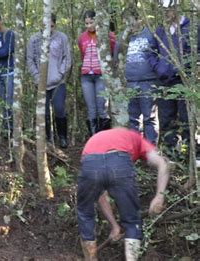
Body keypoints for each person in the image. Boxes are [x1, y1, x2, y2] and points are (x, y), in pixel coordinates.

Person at [77, 128, 170, 260]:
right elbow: (162, 163)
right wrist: (159, 196)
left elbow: (100, 195)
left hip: (90, 162)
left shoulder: (98, 138)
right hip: (119, 161)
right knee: (131, 220)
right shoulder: (139, 139)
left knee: (85, 214)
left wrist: (114, 226)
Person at [151, 0, 200, 154]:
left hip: (185, 82)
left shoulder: (191, 27)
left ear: (176, 8)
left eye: (168, 10)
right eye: (163, 11)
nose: (165, 13)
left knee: (187, 120)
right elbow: (151, 51)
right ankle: (170, 153)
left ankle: (190, 153)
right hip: (164, 81)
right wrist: (158, 68)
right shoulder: (160, 30)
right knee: (166, 119)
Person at [114, 8, 158, 145]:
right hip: (129, 82)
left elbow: (158, 56)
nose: (129, 25)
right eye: (125, 22)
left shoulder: (150, 34)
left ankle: (150, 150)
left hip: (148, 82)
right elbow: (116, 60)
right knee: (133, 118)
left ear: (139, 19)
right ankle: (136, 148)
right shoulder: (122, 37)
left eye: (131, 21)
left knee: (149, 117)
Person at [27, 13, 71, 148]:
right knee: (44, 111)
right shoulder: (34, 40)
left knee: (59, 109)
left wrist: (61, 73)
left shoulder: (62, 37)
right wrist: (36, 77)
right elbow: (29, 60)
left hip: (58, 82)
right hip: (41, 84)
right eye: (45, 26)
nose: (48, 29)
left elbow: (67, 58)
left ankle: (62, 137)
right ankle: (47, 139)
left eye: (51, 26)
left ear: (55, 24)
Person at [78, 10, 115, 137]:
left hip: (101, 75)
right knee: (91, 109)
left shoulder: (108, 35)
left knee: (102, 108)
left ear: (97, 21)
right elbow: (83, 55)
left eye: (91, 22)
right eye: (86, 23)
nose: (89, 26)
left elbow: (112, 54)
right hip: (86, 76)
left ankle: (105, 138)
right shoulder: (82, 37)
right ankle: (94, 139)